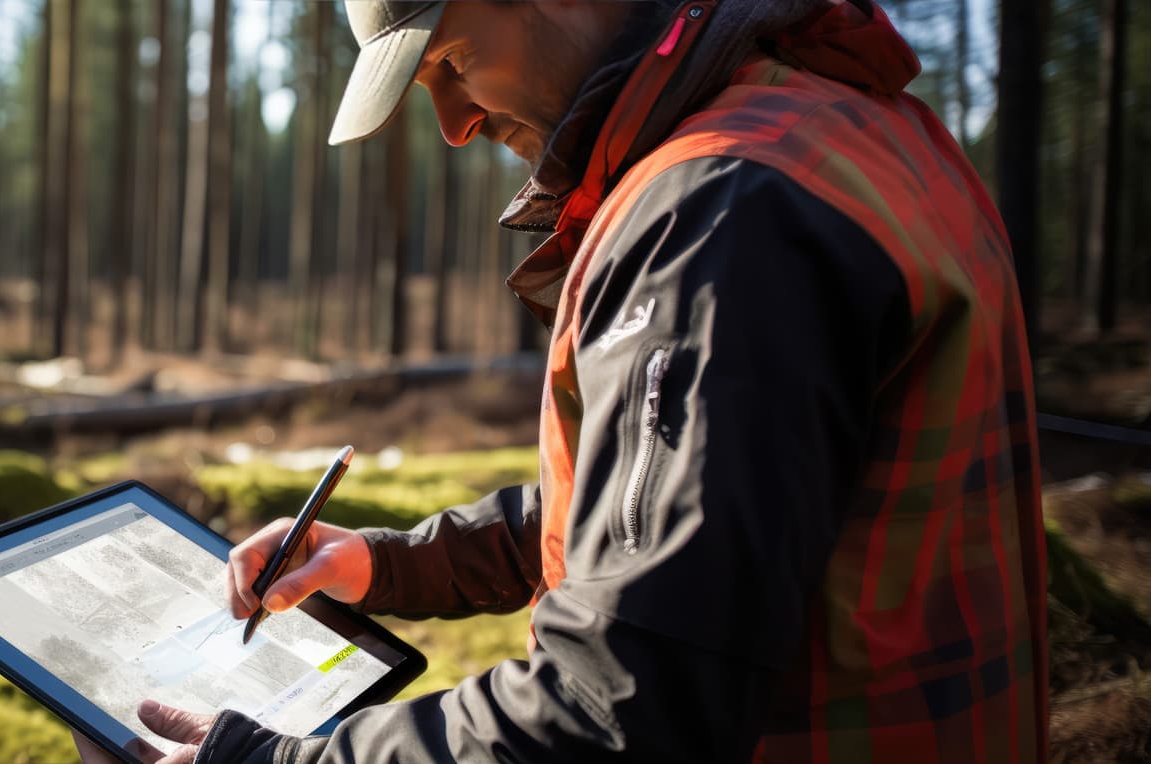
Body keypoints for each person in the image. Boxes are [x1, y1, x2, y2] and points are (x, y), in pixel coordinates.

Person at [76, 0, 1047, 761]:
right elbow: (697, 500)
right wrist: (391, 561)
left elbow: (619, 711)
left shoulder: (720, 212)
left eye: (452, 61)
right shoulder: (853, 131)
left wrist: (275, 761)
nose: (454, 122)